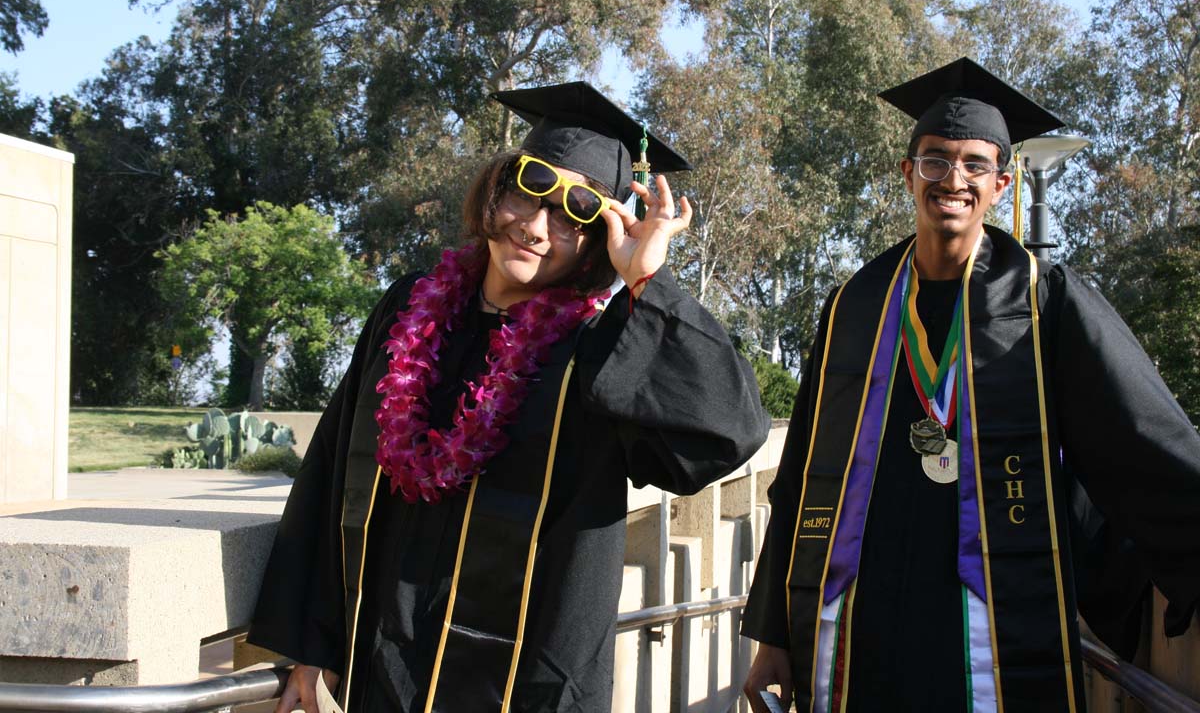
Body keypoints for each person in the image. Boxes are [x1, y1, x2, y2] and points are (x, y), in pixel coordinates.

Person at [248, 81, 770, 713]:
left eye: (574, 212)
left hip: (524, 690)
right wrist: (312, 642)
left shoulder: (599, 350)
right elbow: (332, 473)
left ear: (598, 239)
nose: (537, 225)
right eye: (530, 188)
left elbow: (727, 433)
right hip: (379, 668)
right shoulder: (408, 311)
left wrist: (646, 281)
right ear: (498, 187)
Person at [741, 57, 1200, 713]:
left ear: (1001, 184)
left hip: (990, 621)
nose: (952, 179)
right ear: (908, 174)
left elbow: (1142, 436)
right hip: (859, 621)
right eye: (934, 160)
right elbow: (801, 478)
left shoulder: (1044, 300)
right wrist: (773, 633)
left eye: (974, 164)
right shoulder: (854, 306)